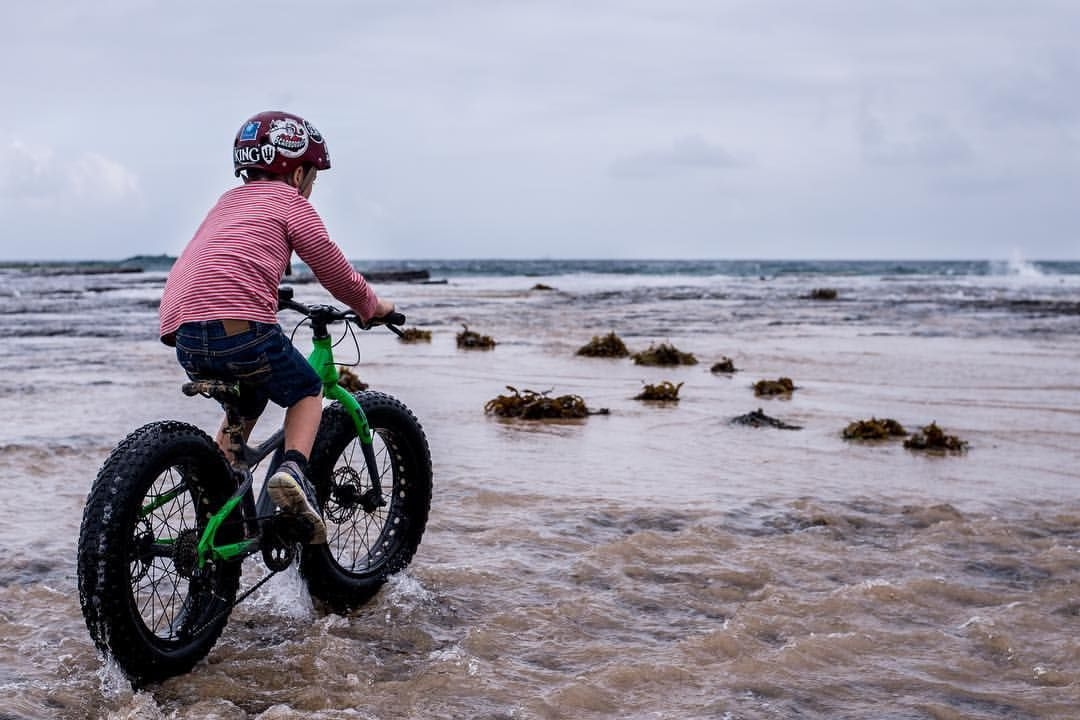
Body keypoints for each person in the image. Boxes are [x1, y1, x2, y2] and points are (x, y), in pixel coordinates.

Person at [158, 110, 394, 544]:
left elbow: (220, 259)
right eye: (313, 179)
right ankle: (293, 474)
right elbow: (330, 264)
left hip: (183, 331)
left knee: (248, 400)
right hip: (239, 326)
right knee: (306, 389)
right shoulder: (290, 203)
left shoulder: (227, 203)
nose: (311, 189)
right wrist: (370, 305)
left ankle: (217, 483)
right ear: (298, 171)